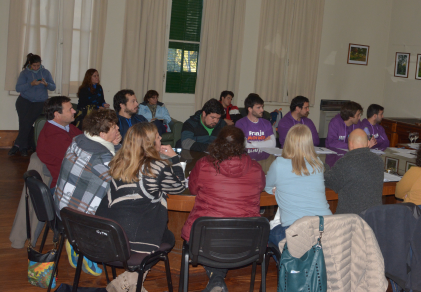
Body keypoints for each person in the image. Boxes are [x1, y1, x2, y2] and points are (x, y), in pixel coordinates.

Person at [96, 122, 185, 291]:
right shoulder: (157, 167)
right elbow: (179, 187)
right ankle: (130, 282)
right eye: (158, 137)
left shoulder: (118, 161)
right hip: (134, 239)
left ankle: (127, 281)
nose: (161, 139)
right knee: (167, 236)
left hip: (110, 236)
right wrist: (174, 159)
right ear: (151, 143)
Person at [182, 126, 265, 292]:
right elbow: (261, 186)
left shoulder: (203, 164)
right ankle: (217, 280)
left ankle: (217, 280)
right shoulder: (256, 168)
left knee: (213, 239)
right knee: (223, 239)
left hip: (205, 239)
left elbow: (192, 189)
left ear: (217, 142)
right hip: (246, 241)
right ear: (242, 145)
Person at [55, 109, 121, 277]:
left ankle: (76, 241)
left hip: (62, 206)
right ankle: (84, 245)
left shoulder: (79, 140)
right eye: (114, 128)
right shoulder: (100, 158)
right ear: (102, 134)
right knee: (125, 204)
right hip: (79, 218)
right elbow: (121, 178)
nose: (118, 130)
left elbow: (109, 157)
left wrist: (115, 145)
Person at [265, 124, 332, 246]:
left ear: (288, 142)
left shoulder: (278, 164)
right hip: (325, 226)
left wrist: (276, 189)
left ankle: (286, 263)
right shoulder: (318, 163)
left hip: (295, 229)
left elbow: (267, 187)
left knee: (268, 234)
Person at [324, 129, 384, 214]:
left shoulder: (346, 162)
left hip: (350, 220)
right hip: (373, 219)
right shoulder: (379, 161)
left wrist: (323, 168)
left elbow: (331, 182)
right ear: (367, 143)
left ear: (350, 144)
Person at [11, 53, 57, 156]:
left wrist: (46, 84)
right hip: (24, 101)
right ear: (30, 64)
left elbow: (53, 87)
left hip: (39, 102)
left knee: (26, 123)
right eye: (34, 65)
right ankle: (23, 147)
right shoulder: (24, 73)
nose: (36, 68)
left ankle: (17, 145)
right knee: (23, 124)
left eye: (38, 65)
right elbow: (18, 88)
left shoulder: (45, 73)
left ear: (41, 64)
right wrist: (31, 84)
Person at [36, 96, 82, 190]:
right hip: (64, 186)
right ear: (57, 115)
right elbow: (79, 157)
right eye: (70, 109)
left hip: (75, 179)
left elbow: (88, 141)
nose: (74, 111)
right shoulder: (52, 135)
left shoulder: (68, 127)